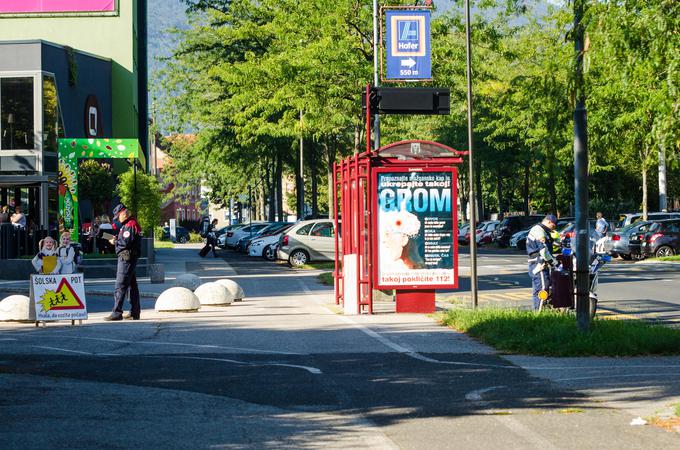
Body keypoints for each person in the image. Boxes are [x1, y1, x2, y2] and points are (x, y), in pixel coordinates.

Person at [104, 204, 142, 321]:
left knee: (120, 286)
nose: (118, 219)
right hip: (130, 257)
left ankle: (117, 312)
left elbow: (125, 243)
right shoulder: (130, 224)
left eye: (118, 216)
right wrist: (117, 239)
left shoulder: (129, 225)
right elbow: (126, 240)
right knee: (131, 286)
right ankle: (134, 312)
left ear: (123, 213)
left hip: (126, 258)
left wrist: (114, 242)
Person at [526, 214, 557, 311]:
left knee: (542, 288)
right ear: (549, 222)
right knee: (543, 288)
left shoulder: (541, 230)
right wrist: (554, 262)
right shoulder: (539, 231)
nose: (554, 227)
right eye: (553, 225)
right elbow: (543, 250)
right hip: (539, 263)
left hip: (537, 263)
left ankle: (539, 311)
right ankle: (539, 315)